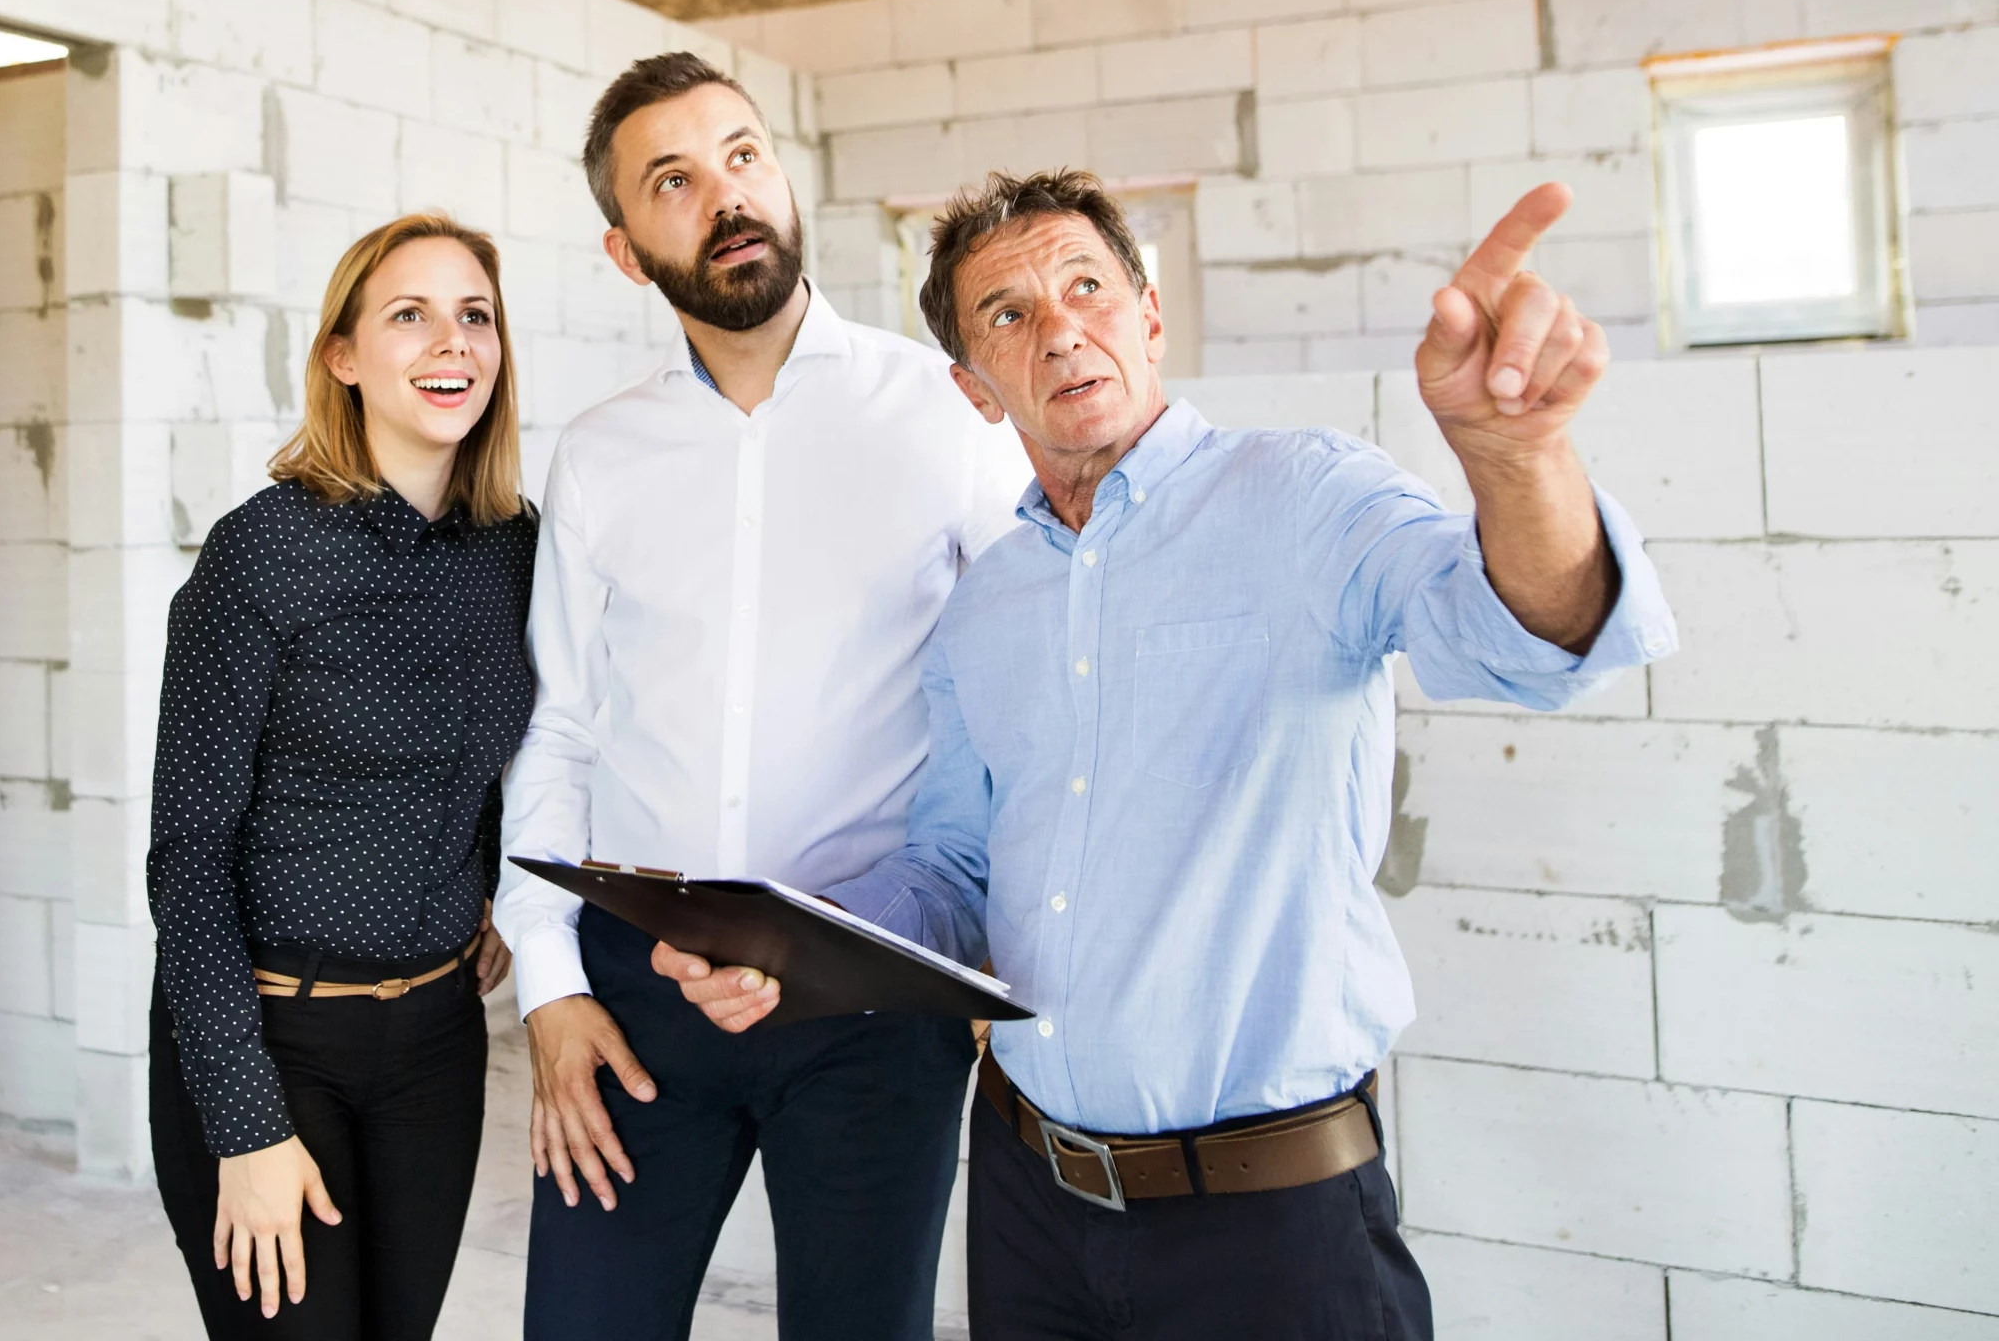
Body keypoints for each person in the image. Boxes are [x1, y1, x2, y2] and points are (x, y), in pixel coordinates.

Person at [659, 168, 1680, 1341]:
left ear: (1148, 315)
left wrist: (1515, 462)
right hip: (1028, 1199)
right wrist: (796, 941)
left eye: (1087, 287)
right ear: (974, 389)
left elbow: (1532, 643)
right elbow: (951, 874)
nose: (1060, 330)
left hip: (1274, 1224)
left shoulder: (1304, 495)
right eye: (1008, 314)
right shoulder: (983, 609)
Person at [496, 52, 1029, 1341]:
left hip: (869, 991)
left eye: (742, 156)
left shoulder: (945, 413)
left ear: (784, 181)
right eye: (674, 181)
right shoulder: (601, 455)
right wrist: (552, 988)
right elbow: (561, 722)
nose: (724, 196)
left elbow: (1027, 693)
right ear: (627, 251)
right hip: (636, 986)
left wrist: (986, 943)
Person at [145, 212, 538, 1338]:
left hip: (435, 1049)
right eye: (408, 316)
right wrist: (246, 1127)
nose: (449, 343)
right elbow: (188, 857)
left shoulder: (515, 550)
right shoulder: (264, 551)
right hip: (273, 1039)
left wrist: (497, 875)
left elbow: (526, 741)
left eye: (475, 317)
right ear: (343, 357)